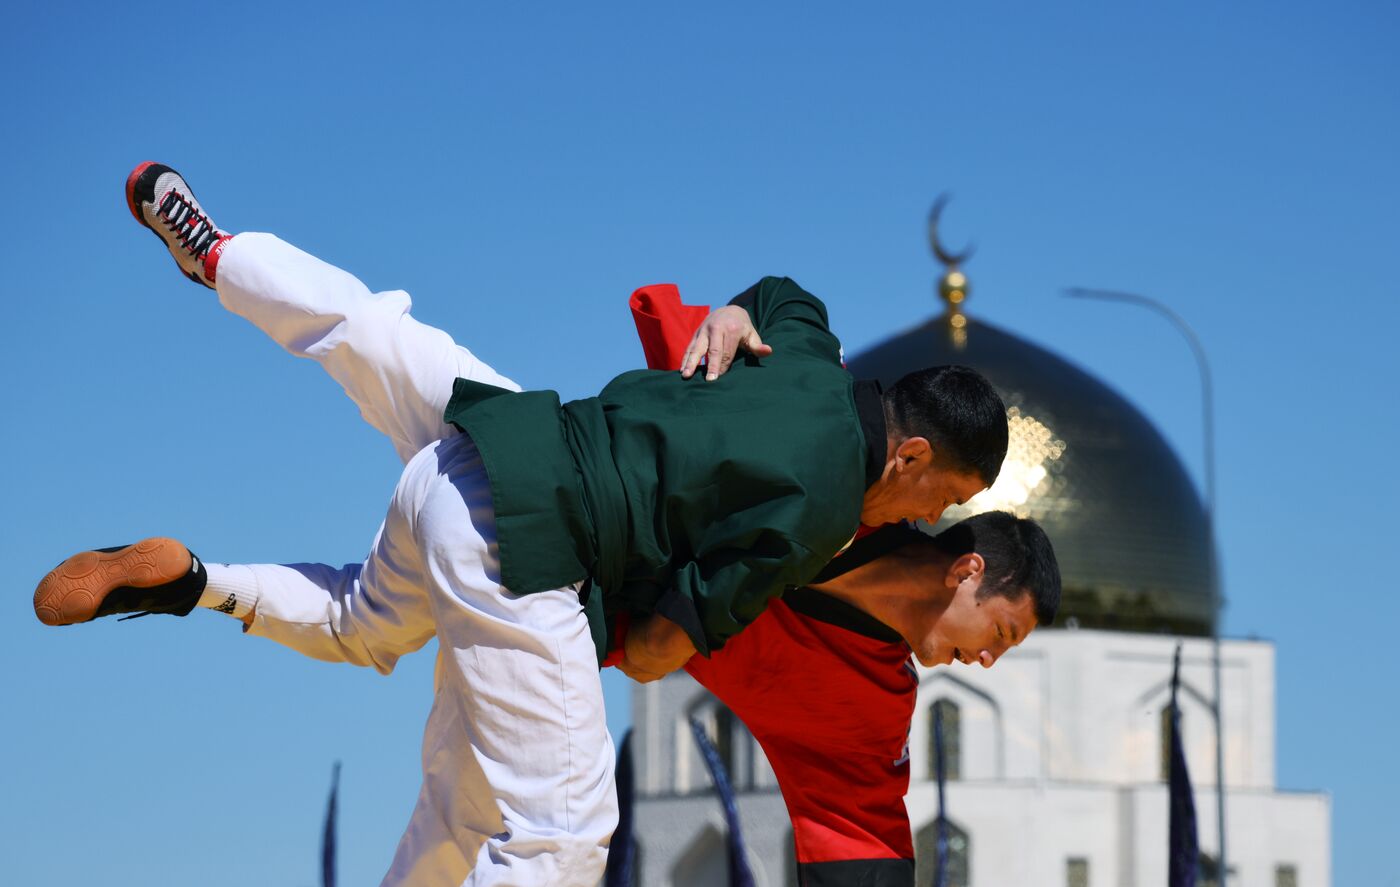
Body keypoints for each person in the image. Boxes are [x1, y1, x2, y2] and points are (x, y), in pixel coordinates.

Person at [33, 163, 1011, 887]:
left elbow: (784, 293)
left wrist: (729, 311)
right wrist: (667, 618)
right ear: (912, 455)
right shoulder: (822, 513)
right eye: (940, 496)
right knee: (561, 831)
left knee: (370, 333)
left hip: (490, 439)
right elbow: (669, 637)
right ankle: (203, 581)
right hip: (529, 552)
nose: (927, 515)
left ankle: (222, 269)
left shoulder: (807, 359)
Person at [634, 291, 1060, 886]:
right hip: (561, 491)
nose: (987, 660)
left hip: (565, 611)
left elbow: (860, 833)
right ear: (968, 572)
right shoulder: (837, 463)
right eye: (1001, 633)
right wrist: (736, 314)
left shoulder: (871, 703)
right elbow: (784, 305)